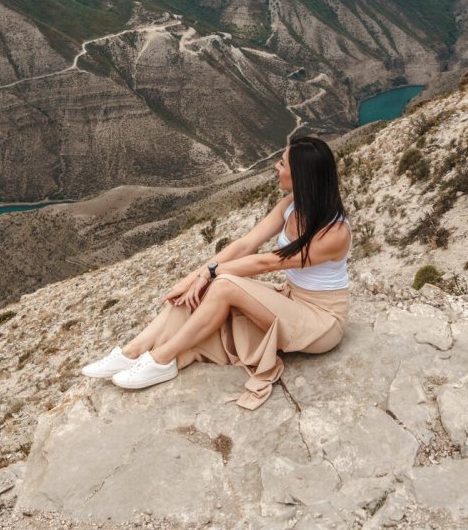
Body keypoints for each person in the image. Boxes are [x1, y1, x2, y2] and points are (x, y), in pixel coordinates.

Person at [80, 135, 352, 409]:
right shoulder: (292, 205)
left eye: (282, 164)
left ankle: (163, 359)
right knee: (198, 290)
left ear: (302, 176)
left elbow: (268, 263)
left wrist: (211, 272)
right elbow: (245, 244)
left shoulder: (335, 233)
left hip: (321, 322)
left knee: (222, 284)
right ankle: (133, 351)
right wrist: (189, 280)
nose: (275, 167)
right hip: (290, 300)